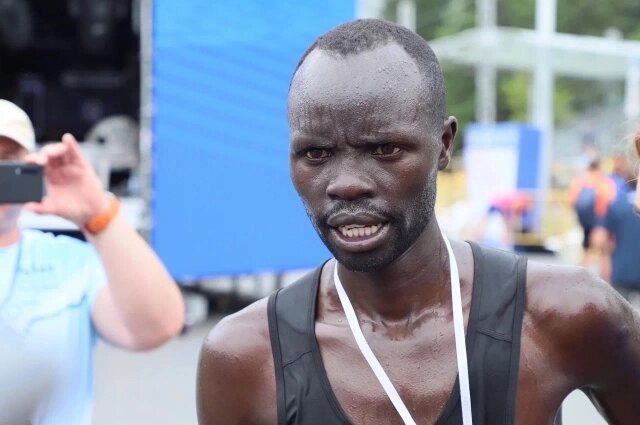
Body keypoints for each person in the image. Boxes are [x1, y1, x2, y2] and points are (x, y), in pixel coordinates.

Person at [197, 20, 640, 425]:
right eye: (316, 154)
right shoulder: (244, 358)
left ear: (443, 144)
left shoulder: (567, 314)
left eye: (384, 149)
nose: (347, 185)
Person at [0, 99, 185, 425]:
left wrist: (97, 213)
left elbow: (157, 327)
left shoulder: (69, 262)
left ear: (28, 170)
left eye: (6, 164)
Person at [601, 150, 640, 307]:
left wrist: (605, 270)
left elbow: (602, 240)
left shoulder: (616, 204)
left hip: (621, 271)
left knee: (621, 325)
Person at [567, 155, 616, 277]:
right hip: (601, 221)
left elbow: (572, 201)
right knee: (604, 253)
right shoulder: (603, 181)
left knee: (586, 250)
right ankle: (606, 283)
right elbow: (610, 200)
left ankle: (578, 279)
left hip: (586, 222)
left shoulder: (580, 181)